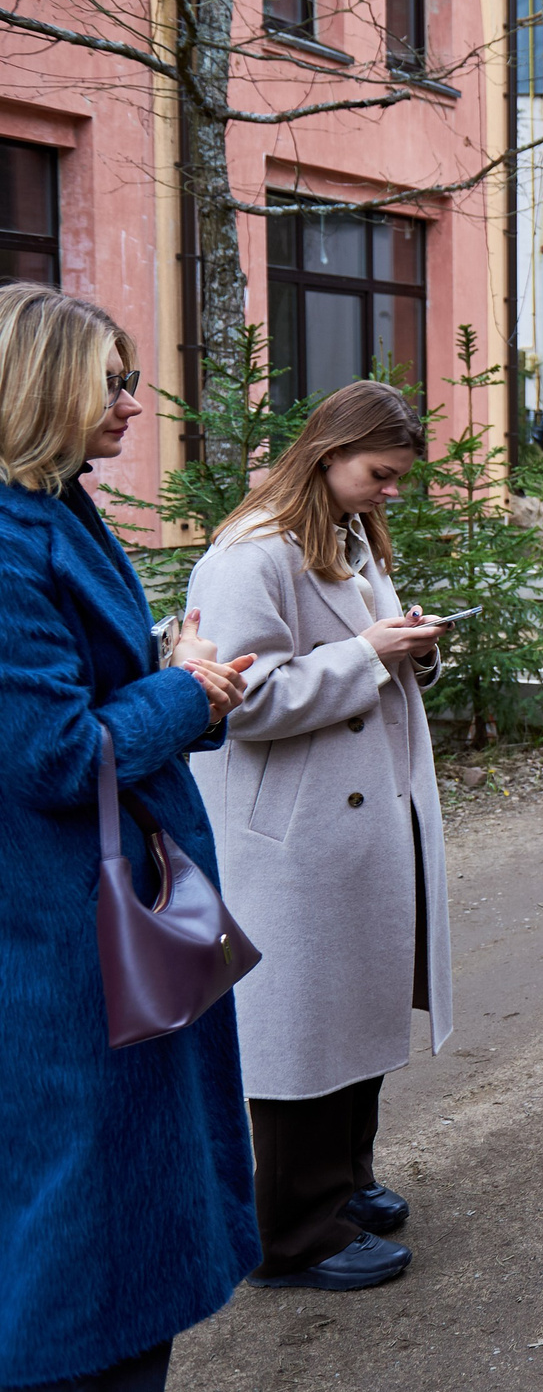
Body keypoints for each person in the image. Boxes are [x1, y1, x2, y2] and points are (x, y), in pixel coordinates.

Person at [0, 286, 260, 1392]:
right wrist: (185, 693)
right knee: (81, 1240)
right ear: (40, 387)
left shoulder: (56, 505)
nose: (133, 402)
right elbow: (53, 753)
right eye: (111, 381)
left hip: (95, 919)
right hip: (60, 937)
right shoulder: (11, 537)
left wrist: (167, 672)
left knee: (119, 1217)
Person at [186, 382, 454, 1293]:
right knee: (299, 1028)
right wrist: (369, 653)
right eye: (381, 473)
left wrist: (412, 645)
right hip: (292, 834)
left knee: (354, 1008)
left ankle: (342, 1182)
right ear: (330, 452)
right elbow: (238, 702)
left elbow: (368, 646)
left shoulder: (344, 531)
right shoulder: (249, 555)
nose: (391, 491)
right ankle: (290, 1234)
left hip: (356, 818)